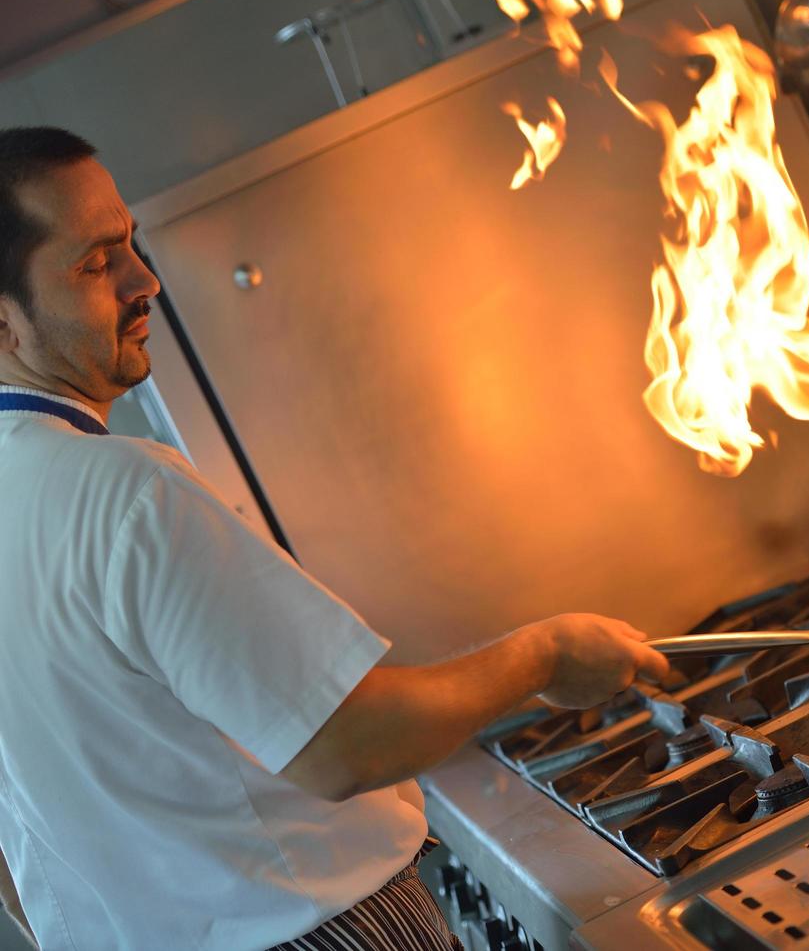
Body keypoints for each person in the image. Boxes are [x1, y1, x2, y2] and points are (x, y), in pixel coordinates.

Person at [0, 127, 670, 951]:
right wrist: (545, 655)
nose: (148, 280)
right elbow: (346, 745)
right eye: (95, 265)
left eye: (130, 243)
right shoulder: (124, 492)